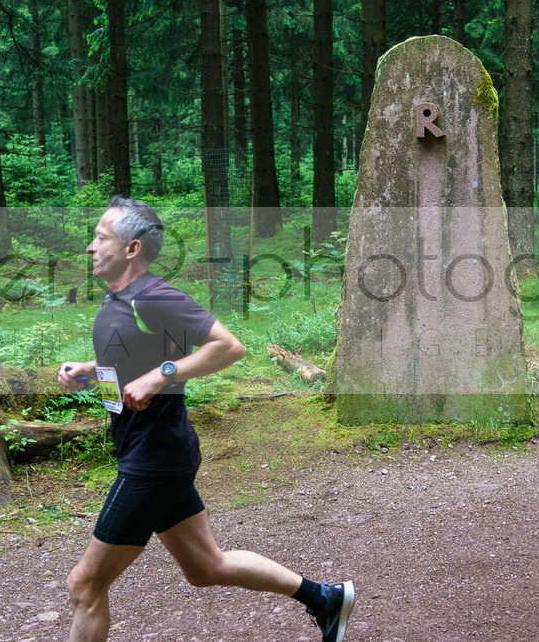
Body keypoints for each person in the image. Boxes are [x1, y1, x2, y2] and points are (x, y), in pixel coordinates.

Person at [58, 196, 354, 642]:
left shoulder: (156, 297)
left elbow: (228, 346)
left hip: (152, 462)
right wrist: (90, 370)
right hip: (158, 452)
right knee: (206, 567)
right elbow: (137, 357)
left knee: (84, 585)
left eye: (101, 238)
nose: (90, 247)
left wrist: (161, 375)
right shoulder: (120, 298)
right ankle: (324, 598)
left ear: (132, 249)